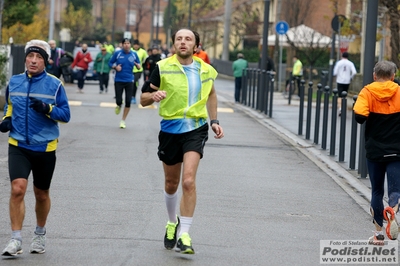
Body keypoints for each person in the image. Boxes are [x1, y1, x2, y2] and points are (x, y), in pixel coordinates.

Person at [140, 28, 224, 254]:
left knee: (188, 181)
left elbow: (212, 94)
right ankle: (171, 222)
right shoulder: (162, 67)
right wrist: (153, 96)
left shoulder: (206, 70)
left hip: (195, 129)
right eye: (179, 39)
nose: (183, 42)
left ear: (196, 45)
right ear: (174, 44)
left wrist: (214, 120)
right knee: (171, 183)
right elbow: (143, 98)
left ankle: (185, 235)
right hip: (169, 130)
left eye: (188, 39)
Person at [0, 39, 71, 257]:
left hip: (45, 147)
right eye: (30, 56)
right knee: (17, 188)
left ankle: (40, 233)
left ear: (46, 61)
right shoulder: (14, 82)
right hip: (18, 144)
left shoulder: (55, 85)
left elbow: (65, 115)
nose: (33, 60)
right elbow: (9, 106)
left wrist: (47, 108)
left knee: (41, 194)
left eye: (38, 57)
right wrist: (6, 119)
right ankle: (16, 239)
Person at [353, 60, 400, 245]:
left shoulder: (367, 92)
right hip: (397, 150)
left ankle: (379, 235)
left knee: (377, 191)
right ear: (393, 76)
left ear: (374, 75)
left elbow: (359, 117)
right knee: (395, 189)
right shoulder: (398, 91)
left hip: (375, 150)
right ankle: (393, 210)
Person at [108, 38, 141, 129]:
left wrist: (138, 66)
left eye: (128, 43)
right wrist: (115, 67)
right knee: (119, 100)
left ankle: (123, 120)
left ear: (130, 44)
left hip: (129, 80)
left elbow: (139, 65)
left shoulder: (134, 54)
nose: (127, 45)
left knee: (128, 102)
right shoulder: (117, 54)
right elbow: (110, 63)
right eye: (125, 43)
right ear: (122, 45)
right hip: (119, 80)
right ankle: (118, 105)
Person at [131, 40, 148, 104]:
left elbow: (146, 59)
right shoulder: (130, 51)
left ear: (139, 45)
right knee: (129, 84)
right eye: (135, 44)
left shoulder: (142, 51)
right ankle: (129, 96)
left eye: (137, 45)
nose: (136, 46)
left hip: (138, 70)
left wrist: (144, 65)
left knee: (134, 82)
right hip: (130, 70)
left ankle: (133, 97)